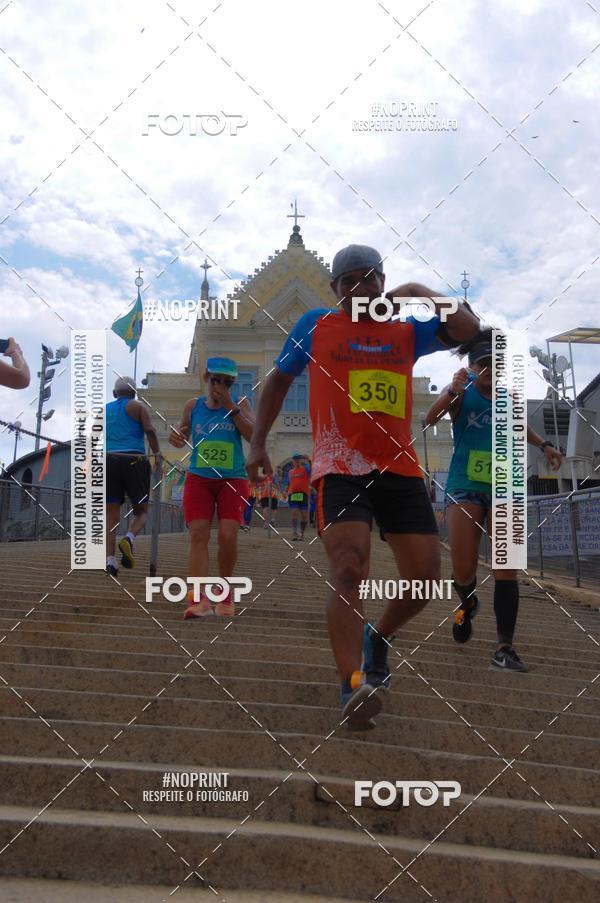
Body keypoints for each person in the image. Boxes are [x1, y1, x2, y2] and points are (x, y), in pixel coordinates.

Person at [247, 243, 480, 729]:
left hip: (399, 470)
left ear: (382, 281)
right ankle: (352, 684)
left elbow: (468, 328)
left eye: (370, 277)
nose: (361, 287)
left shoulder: (405, 329)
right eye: (349, 280)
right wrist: (259, 443)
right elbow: (276, 382)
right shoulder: (316, 324)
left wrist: (415, 291)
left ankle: (379, 637)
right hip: (337, 465)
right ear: (334, 290)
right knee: (349, 567)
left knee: (422, 583)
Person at [425, 329, 563, 671]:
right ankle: (466, 604)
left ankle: (504, 648)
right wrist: (451, 390)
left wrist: (544, 445)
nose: (488, 371)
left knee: (506, 568)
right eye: (482, 365)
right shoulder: (461, 393)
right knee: (464, 567)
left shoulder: (508, 399)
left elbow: (520, 427)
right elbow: (429, 419)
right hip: (464, 486)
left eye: (494, 365)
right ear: (472, 368)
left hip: (504, 485)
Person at [169, 357, 254, 618]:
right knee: (198, 534)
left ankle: (225, 593)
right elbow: (180, 438)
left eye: (227, 382)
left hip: (233, 478)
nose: (221, 386)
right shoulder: (192, 406)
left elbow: (253, 435)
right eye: (216, 380)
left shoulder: (240, 404)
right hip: (199, 478)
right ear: (207, 379)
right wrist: (177, 438)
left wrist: (231, 408)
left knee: (228, 535)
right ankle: (198, 600)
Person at [105, 377, 161, 577]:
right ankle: (128, 538)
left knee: (111, 515)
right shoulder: (138, 407)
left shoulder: (104, 410)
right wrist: (157, 455)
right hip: (134, 460)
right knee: (141, 511)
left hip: (109, 459)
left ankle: (110, 562)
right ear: (134, 393)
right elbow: (150, 431)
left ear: (114, 394)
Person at [286, 453, 310, 540]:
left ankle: (302, 534)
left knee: (304, 516)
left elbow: (312, 468)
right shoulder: (290, 472)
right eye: (295, 460)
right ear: (293, 461)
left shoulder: (305, 469)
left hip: (303, 494)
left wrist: (308, 460)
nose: (297, 461)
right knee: (294, 512)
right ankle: (295, 533)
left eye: (299, 459)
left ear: (301, 461)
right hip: (293, 494)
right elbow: (288, 483)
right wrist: (287, 492)